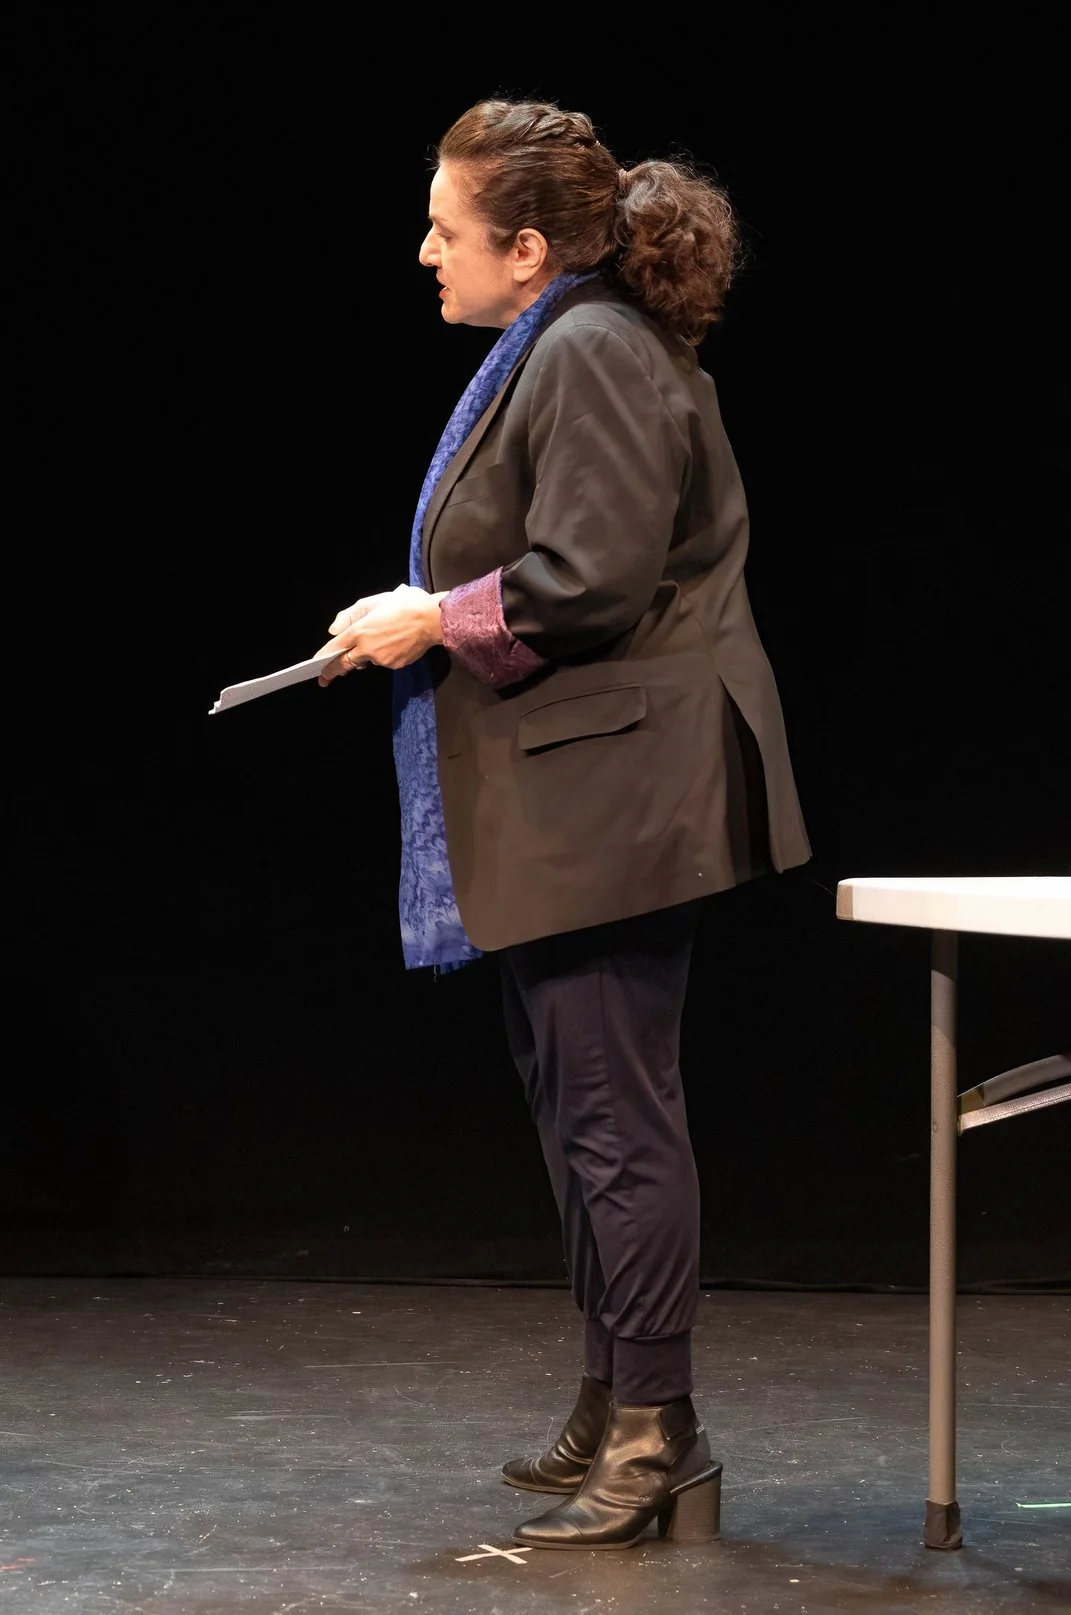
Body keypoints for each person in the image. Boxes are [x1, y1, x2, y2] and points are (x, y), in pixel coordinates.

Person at [318, 100, 809, 1550]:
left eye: (446, 230)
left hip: (616, 793)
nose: (426, 253)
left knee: (613, 1112)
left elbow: (590, 575)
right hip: (580, 789)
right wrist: (420, 616)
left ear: (526, 248)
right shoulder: (566, 340)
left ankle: (660, 1428)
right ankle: (616, 1392)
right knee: (573, 1101)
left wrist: (432, 618)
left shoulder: (591, 346)